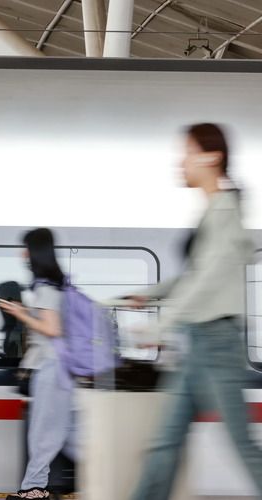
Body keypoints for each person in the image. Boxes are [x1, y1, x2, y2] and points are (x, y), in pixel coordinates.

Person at [127, 123, 262, 500]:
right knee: (163, 444)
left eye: (188, 152)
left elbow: (207, 280)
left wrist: (161, 326)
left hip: (217, 347)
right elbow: (194, 276)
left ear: (212, 157)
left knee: (242, 446)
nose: (181, 161)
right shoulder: (213, 211)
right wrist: (148, 294)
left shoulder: (224, 211)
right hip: (198, 344)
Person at [0, 228, 76, 500]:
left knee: (44, 435)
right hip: (58, 368)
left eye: (26, 248)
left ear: (36, 252)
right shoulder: (56, 285)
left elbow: (52, 329)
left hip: (52, 368)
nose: (23, 254)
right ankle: (34, 489)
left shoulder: (46, 287)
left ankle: (32, 491)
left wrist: (21, 313)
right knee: (64, 434)